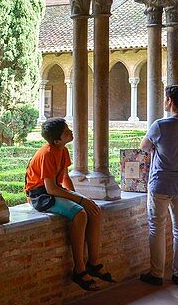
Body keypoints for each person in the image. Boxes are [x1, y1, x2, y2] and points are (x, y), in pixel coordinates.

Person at [25, 117, 115, 291]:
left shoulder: (62, 150)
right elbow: (50, 188)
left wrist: (78, 196)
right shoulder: (47, 153)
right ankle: (79, 269)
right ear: (57, 140)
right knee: (80, 213)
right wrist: (79, 200)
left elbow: (65, 177)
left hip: (52, 191)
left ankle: (94, 264)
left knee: (93, 209)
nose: (71, 132)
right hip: (40, 196)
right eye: (66, 132)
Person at [139, 84, 178, 286]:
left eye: (166, 99)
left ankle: (157, 273)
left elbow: (144, 147)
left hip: (160, 183)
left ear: (170, 101)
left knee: (157, 227)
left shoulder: (160, 126)